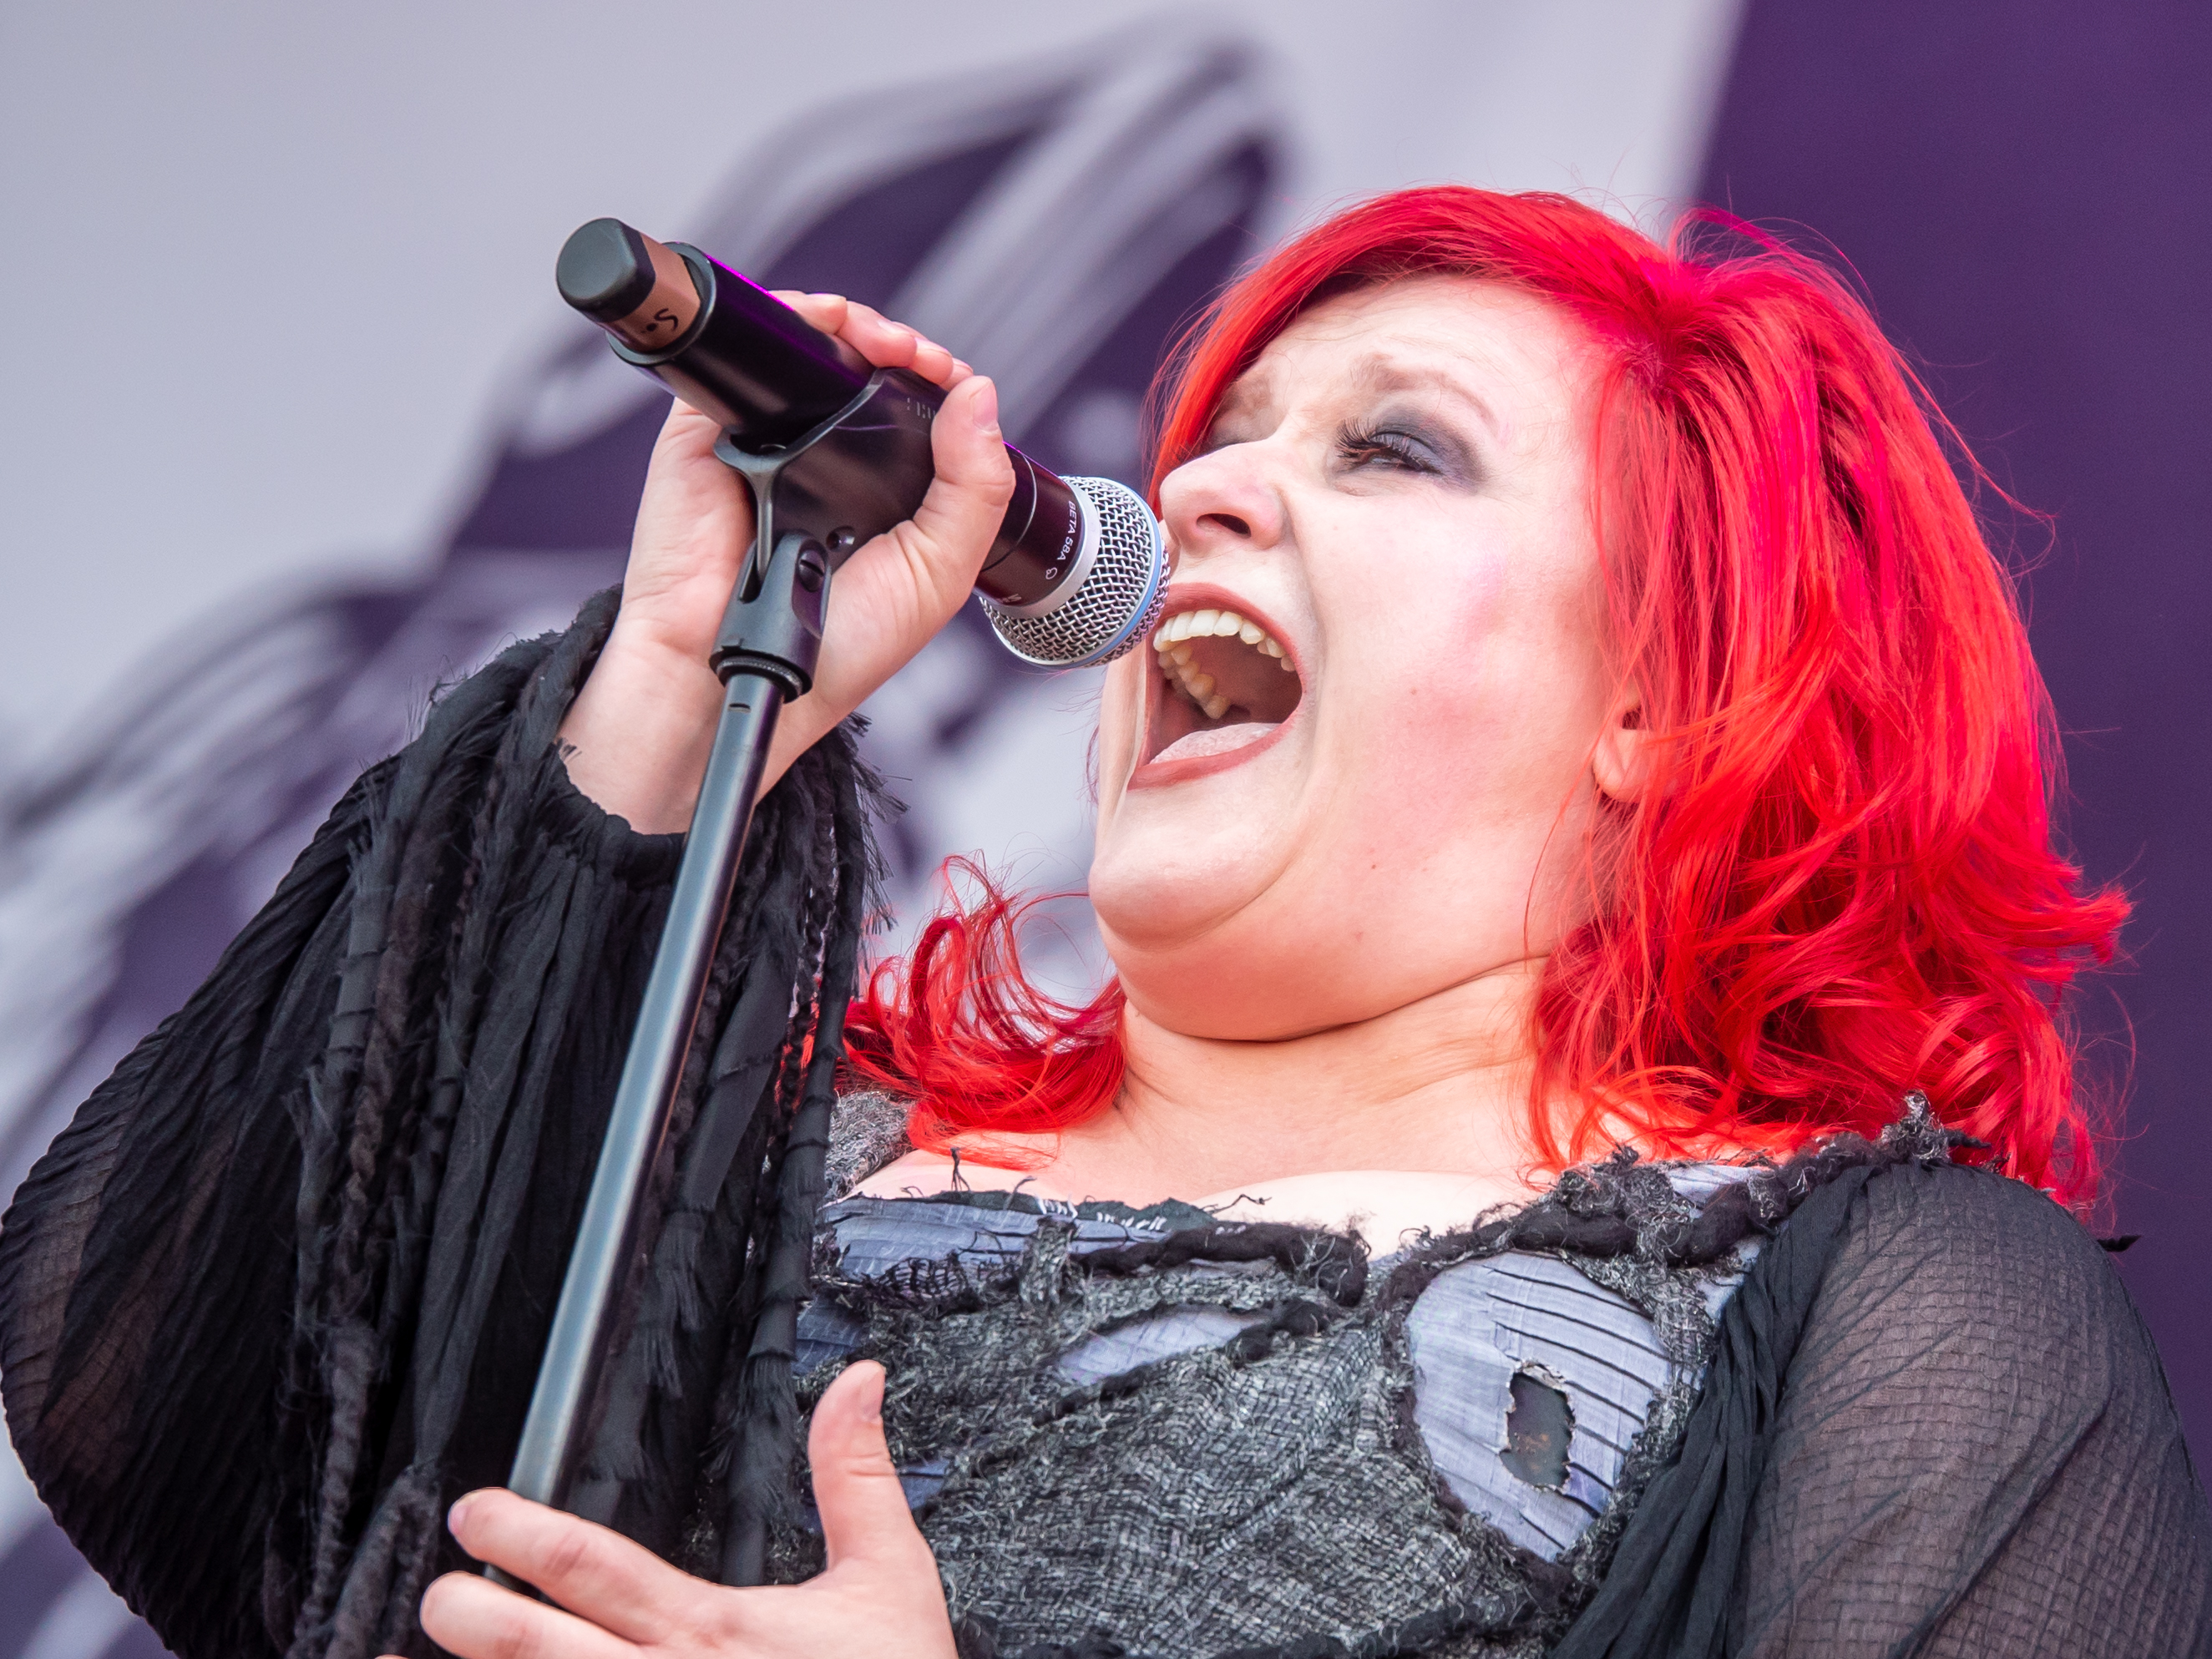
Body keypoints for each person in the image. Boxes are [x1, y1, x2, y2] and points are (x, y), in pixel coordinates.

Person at [3, 187, 2207, 1659]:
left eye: (1394, 451)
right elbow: (148, 1379)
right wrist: (675, 685)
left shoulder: (1877, 1312)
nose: (1205, 487)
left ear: (1664, 690)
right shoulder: (773, 1163)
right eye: (1217, 440)